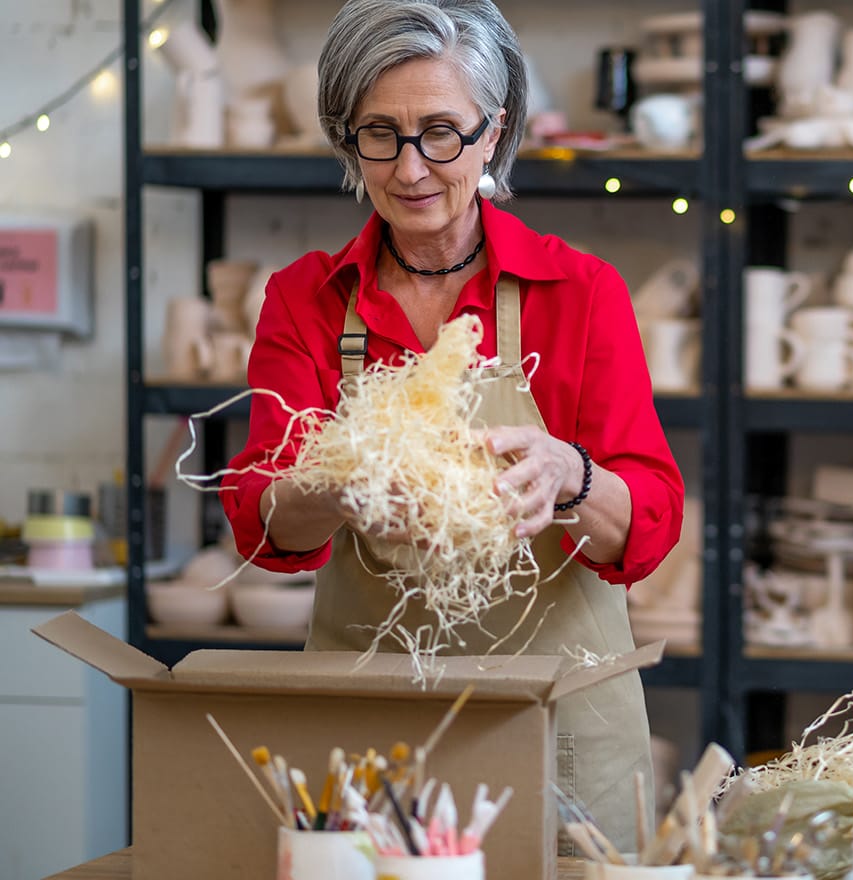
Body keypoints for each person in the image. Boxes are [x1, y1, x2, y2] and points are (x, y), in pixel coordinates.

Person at [219, 0, 684, 851]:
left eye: (441, 132)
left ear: (493, 132)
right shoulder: (308, 298)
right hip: (375, 719)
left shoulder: (578, 291)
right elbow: (262, 517)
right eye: (379, 134)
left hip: (556, 723)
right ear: (345, 137)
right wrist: (338, 484)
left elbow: (649, 521)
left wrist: (569, 476)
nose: (411, 168)